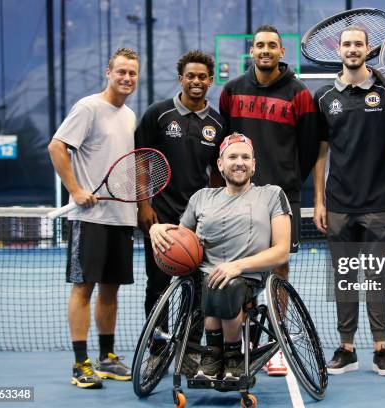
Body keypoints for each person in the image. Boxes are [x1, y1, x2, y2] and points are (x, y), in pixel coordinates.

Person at [312, 26, 385, 376]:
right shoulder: (325, 96)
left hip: (378, 204)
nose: (352, 49)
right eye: (346, 44)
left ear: (369, 48)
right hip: (339, 204)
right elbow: (321, 152)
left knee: (376, 276)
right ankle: (346, 348)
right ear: (338, 50)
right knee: (344, 278)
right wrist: (318, 200)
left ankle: (381, 348)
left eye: (358, 43)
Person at [149, 133, 291, 380]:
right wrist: (156, 228)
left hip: (247, 277)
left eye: (246, 157)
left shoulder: (271, 195)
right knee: (212, 281)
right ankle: (218, 355)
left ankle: (228, 355)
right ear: (220, 164)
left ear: (254, 164)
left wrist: (235, 266)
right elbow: (180, 237)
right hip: (203, 278)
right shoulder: (202, 198)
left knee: (225, 283)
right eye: (232, 156)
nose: (239, 162)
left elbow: (281, 251)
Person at [219, 24, 319, 375]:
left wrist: (287, 181)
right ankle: (244, 338)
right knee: (242, 267)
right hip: (237, 198)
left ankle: (276, 340)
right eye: (259, 45)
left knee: (279, 268)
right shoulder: (231, 91)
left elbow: (308, 149)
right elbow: (226, 144)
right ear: (251, 52)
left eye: (272, 46)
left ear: (281, 52)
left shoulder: (300, 94)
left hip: (281, 197)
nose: (265, 50)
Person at [48, 48, 139, 389]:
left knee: (111, 292)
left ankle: (107, 357)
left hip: (121, 217)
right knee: (83, 288)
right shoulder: (88, 107)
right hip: (90, 217)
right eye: (121, 72)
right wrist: (75, 189)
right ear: (108, 72)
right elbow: (57, 146)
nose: (127, 78)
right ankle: (80, 363)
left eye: (132, 73)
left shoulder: (130, 116)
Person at [135, 50, 226, 376]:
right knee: (157, 289)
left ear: (210, 80)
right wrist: (143, 205)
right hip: (159, 220)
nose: (197, 82)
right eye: (191, 76)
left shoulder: (217, 123)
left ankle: (189, 350)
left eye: (203, 77)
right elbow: (141, 160)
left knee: (200, 291)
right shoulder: (157, 115)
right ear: (181, 79)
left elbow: (217, 175)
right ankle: (157, 351)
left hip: (199, 223)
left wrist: (214, 213)